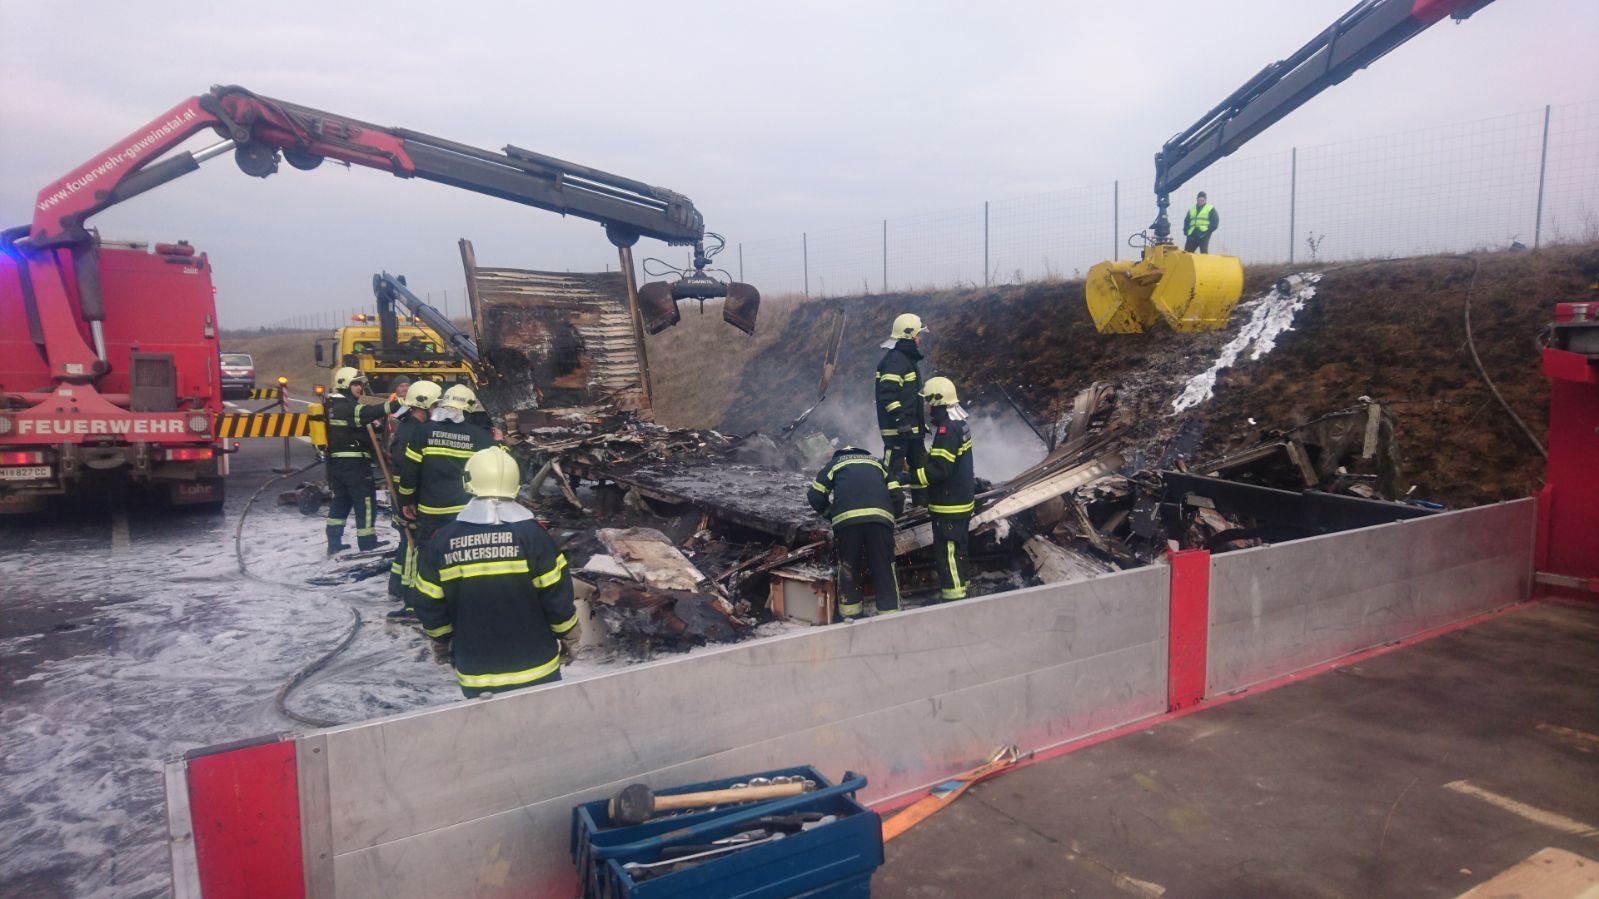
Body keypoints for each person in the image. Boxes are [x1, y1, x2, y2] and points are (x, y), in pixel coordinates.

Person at [413, 446, 578, 698]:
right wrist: (568, 635)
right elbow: (557, 597)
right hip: (538, 669)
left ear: (469, 481)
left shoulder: (443, 540)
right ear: (514, 483)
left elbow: (429, 601)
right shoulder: (535, 537)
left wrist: (442, 640)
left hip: (477, 673)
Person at [396, 384, 500, 591]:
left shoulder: (423, 432)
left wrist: (406, 501)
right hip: (464, 512)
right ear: (469, 408)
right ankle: (455, 596)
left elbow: (409, 472)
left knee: (426, 553)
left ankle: (419, 598)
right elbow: (501, 463)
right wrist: (499, 442)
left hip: (430, 510)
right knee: (460, 554)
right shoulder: (478, 436)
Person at [807, 446, 903, 620]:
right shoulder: (878, 463)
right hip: (879, 523)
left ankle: (851, 616)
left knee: (848, 569)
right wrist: (889, 519)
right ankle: (890, 614)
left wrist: (830, 514)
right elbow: (898, 496)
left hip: (847, 524)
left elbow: (815, 495)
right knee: (884, 568)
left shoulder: (835, 464)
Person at [910, 376, 975, 602]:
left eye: (929, 402)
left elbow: (940, 470)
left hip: (949, 505)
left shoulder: (947, 430)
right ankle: (964, 589)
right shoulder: (960, 424)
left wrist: (909, 477)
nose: (927, 408)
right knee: (959, 551)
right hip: (961, 502)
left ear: (937, 401)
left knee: (947, 555)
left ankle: (954, 600)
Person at [322, 367, 391, 555]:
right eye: (356, 384)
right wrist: (393, 405)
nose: (360, 388)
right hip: (355, 465)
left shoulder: (332, 405)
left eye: (360, 384)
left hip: (338, 465)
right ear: (345, 384)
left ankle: (334, 542)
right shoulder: (346, 407)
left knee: (341, 501)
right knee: (366, 501)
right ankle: (367, 542)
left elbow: (362, 424)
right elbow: (370, 412)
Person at [386, 380, 442, 601]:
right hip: (408, 497)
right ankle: (410, 593)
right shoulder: (413, 432)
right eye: (435, 404)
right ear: (425, 404)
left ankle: (396, 586)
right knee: (412, 543)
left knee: (405, 541)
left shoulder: (409, 425)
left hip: (404, 495)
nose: (437, 408)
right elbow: (410, 469)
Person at [876, 313, 929, 507]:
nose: (920, 338)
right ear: (908, 335)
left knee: (921, 467)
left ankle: (921, 506)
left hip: (912, 430)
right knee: (891, 472)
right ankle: (884, 507)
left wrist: (919, 424)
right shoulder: (895, 361)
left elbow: (910, 399)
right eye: (918, 334)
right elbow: (888, 395)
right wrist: (901, 421)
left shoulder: (907, 359)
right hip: (897, 431)